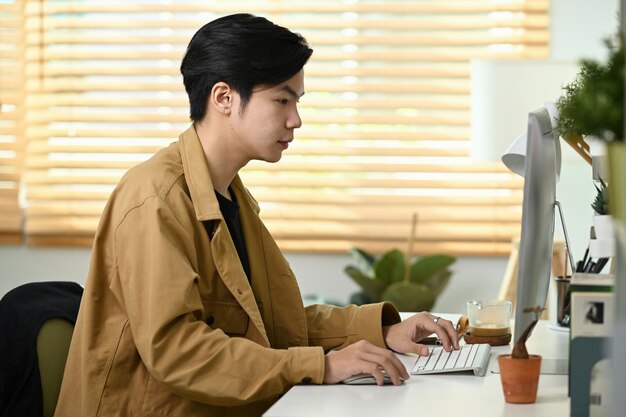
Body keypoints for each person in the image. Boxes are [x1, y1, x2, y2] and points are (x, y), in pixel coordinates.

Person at [53, 13, 459, 417]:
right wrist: (322, 365)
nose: (295, 119)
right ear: (224, 98)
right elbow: (177, 350)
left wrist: (384, 331)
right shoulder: (154, 199)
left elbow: (270, 323)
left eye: (296, 101)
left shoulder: (229, 194)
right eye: (282, 99)